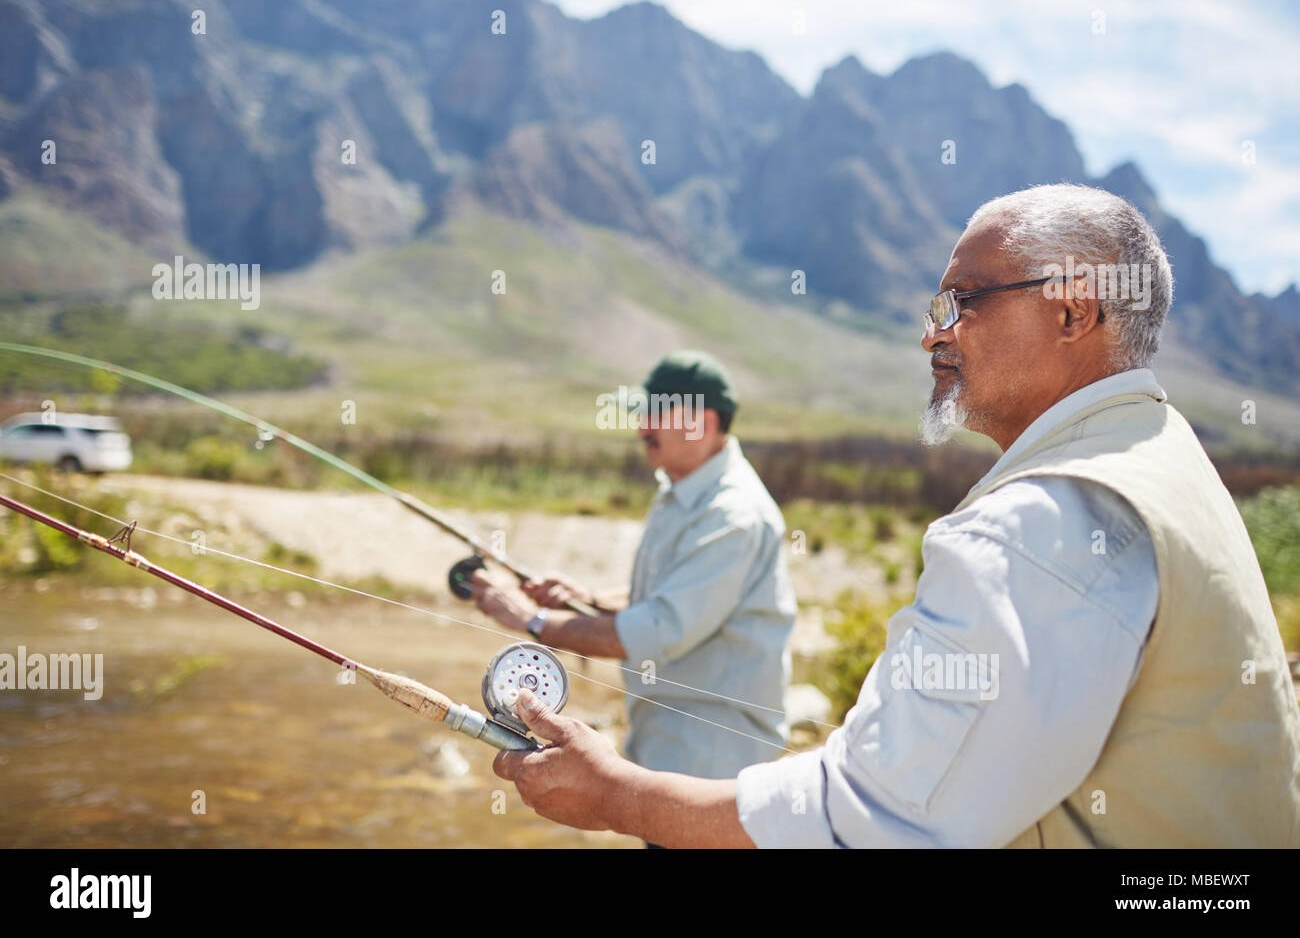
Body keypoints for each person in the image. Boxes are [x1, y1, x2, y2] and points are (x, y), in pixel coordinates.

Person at [485, 184, 1300, 848]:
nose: (932, 336)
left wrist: (617, 797)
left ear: (1072, 312)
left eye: (964, 300)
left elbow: (878, 819)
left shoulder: (1044, 521)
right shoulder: (1162, 456)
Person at [469, 350, 798, 787]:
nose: (642, 427)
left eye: (657, 414)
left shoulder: (733, 516)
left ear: (707, 421)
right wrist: (589, 601)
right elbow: (674, 598)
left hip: (715, 766)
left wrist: (531, 620)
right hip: (666, 745)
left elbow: (659, 629)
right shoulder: (681, 492)